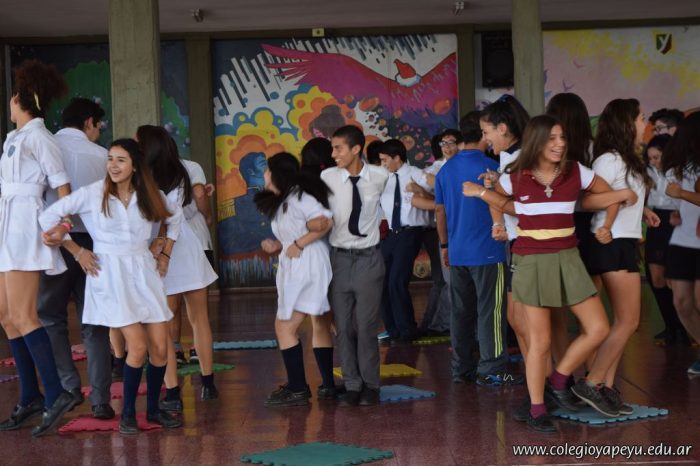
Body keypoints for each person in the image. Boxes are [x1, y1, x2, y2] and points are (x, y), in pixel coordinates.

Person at [464, 115, 636, 433]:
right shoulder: (515, 175)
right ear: (537, 141)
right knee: (540, 340)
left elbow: (600, 195)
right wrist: (496, 221)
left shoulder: (575, 171)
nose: (560, 144)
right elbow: (502, 202)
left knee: (598, 327)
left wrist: (615, 208)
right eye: (552, 138)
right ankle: (537, 408)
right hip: (531, 260)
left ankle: (559, 379)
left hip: (569, 258)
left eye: (562, 138)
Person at [39, 138, 183, 434]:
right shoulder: (94, 193)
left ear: (135, 166)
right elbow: (48, 216)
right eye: (110, 159)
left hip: (143, 270)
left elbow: (176, 216)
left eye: (120, 160)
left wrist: (165, 249)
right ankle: (127, 414)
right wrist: (76, 250)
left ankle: (153, 410)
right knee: (137, 346)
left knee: (160, 347)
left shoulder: (149, 195)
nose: (113, 166)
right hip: (109, 274)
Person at [0, 59, 77, 438]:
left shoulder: (42, 138)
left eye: (13, 95)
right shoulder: (14, 137)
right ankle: (31, 395)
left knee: (24, 314)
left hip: (26, 229)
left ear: (20, 98)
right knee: (6, 316)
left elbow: (64, 189)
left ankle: (57, 394)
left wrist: (62, 225)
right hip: (7, 227)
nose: (9, 101)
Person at [572, 98, 660, 416]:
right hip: (611, 242)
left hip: (624, 240)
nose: (645, 123)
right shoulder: (609, 159)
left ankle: (604, 388)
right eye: (641, 118)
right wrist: (623, 198)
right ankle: (592, 382)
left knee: (624, 322)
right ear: (626, 122)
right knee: (628, 321)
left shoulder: (626, 158)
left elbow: (622, 196)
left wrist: (643, 210)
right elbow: (586, 201)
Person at [37, 97, 115, 420]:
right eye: (98, 126)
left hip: (54, 241)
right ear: (88, 123)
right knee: (94, 322)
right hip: (94, 246)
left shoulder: (45, 148)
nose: (98, 132)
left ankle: (69, 387)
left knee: (50, 316)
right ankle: (100, 400)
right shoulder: (102, 157)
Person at [434, 110, 520, 387]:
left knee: (460, 313)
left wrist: (445, 245)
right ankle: (492, 370)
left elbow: (440, 211)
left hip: (457, 252)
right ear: (483, 134)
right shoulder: (492, 167)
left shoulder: (445, 170)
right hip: (488, 251)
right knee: (491, 312)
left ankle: (461, 369)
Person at [136, 125, 219, 409]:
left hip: (163, 251)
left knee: (165, 323)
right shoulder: (182, 171)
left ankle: (172, 393)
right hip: (185, 247)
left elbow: (163, 218)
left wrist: (160, 248)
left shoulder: (142, 177)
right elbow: (181, 213)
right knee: (200, 319)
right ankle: (208, 384)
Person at [254, 152, 336, 406]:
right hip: (299, 263)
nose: (264, 174)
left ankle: (298, 388)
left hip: (308, 265)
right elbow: (298, 230)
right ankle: (328, 386)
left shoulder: (301, 196)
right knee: (320, 323)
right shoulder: (287, 199)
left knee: (285, 326)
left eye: (267, 170)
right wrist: (279, 245)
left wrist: (299, 243)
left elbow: (324, 222)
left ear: (276, 173)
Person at [321, 125, 388, 407]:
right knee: (344, 325)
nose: (333, 154)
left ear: (356, 149)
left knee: (366, 325)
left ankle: (371, 385)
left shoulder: (380, 176)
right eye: (332, 148)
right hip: (339, 258)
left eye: (338, 148)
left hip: (368, 258)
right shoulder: (327, 177)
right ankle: (351, 383)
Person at [378, 139, 431, 343]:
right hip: (392, 234)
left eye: (385, 160)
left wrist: (419, 189)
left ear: (397, 158)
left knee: (397, 281)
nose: (382, 164)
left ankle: (407, 329)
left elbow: (437, 197)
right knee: (383, 281)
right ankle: (392, 329)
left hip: (410, 232)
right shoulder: (385, 178)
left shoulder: (416, 174)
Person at [662, 111, 700, 375]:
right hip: (683, 239)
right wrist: (678, 209)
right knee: (682, 303)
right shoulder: (683, 164)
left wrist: (682, 194)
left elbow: (683, 193)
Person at [416, 129, 463, 337]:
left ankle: (454, 328)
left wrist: (434, 185)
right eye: (443, 144)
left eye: (451, 143)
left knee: (458, 282)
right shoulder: (435, 169)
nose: (447, 147)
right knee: (447, 281)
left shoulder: (461, 168)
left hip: (463, 228)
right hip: (443, 230)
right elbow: (425, 200)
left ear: (461, 145)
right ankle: (446, 326)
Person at [172, 157, 215, 366]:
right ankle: (200, 354)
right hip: (197, 237)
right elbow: (199, 193)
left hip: (167, 244)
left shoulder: (148, 170)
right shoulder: (191, 166)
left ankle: (175, 351)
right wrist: (208, 215)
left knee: (171, 306)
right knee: (199, 310)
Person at [644, 134, 687, 346]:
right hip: (657, 220)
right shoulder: (647, 172)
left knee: (674, 279)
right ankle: (670, 326)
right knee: (656, 277)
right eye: (650, 158)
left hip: (677, 221)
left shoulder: (681, 171)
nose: (653, 162)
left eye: (657, 157)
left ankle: (683, 328)